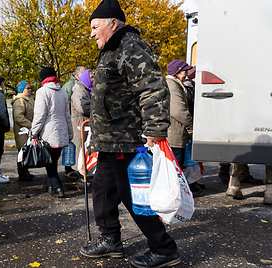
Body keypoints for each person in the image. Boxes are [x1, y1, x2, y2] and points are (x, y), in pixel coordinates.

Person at [80, 1, 180, 267]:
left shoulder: (129, 45)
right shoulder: (111, 48)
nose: (91, 33)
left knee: (132, 194)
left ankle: (163, 248)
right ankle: (110, 239)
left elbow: (153, 89)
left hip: (126, 139)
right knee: (102, 190)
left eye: (94, 26)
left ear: (112, 23)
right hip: (109, 140)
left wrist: (154, 130)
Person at [31, 67, 73, 198]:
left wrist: (34, 132)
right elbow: (67, 115)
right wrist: (70, 133)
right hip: (61, 131)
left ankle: (57, 186)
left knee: (49, 163)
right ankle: (50, 186)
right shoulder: (63, 92)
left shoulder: (42, 92)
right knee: (53, 160)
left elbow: (40, 115)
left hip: (48, 132)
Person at [165, 59, 204, 193]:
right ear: (177, 72)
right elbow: (178, 110)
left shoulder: (174, 83)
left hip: (176, 132)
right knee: (175, 166)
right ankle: (174, 193)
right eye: (184, 71)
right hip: (174, 133)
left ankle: (176, 192)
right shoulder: (172, 85)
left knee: (177, 166)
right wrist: (191, 126)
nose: (186, 73)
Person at [62, 66, 87, 179]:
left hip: (78, 121)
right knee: (74, 145)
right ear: (77, 75)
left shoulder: (83, 86)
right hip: (74, 120)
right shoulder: (70, 86)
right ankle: (70, 169)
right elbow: (66, 104)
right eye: (84, 73)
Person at [70, 69, 93, 181]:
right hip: (80, 123)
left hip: (84, 123)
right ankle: (80, 173)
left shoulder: (86, 89)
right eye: (91, 77)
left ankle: (83, 172)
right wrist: (96, 109)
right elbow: (82, 108)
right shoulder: (79, 90)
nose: (93, 79)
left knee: (84, 149)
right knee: (80, 149)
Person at [11, 81, 35, 181]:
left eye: (30, 88)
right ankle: (22, 173)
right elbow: (18, 117)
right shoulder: (19, 101)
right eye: (27, 88)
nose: (30, 90)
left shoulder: (29, 99)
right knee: (22, 152)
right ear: (22, 90)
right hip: (22, 131)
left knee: (27, 152)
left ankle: (26, 171)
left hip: (29, 130)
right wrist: (31, 125)